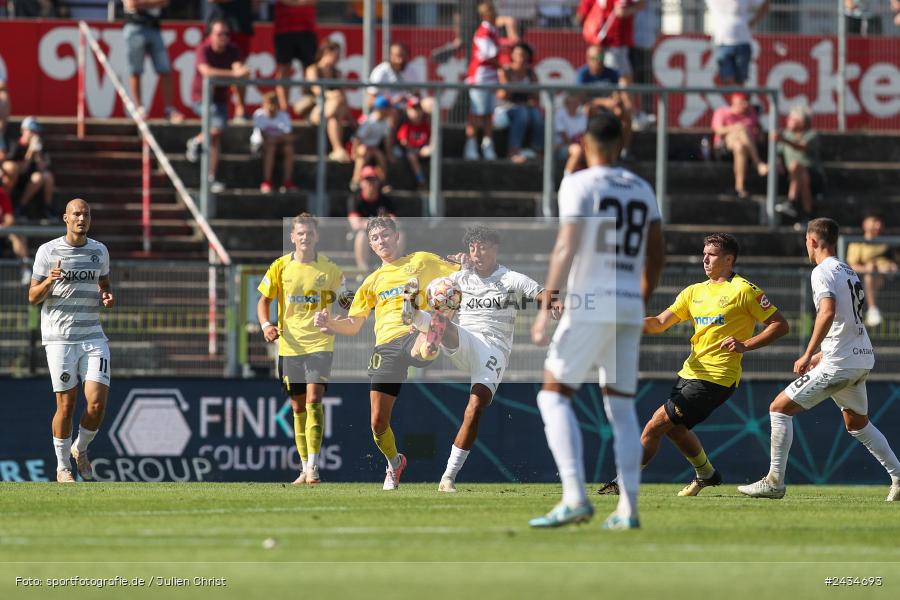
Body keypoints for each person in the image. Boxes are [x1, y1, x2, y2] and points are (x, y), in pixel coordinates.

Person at [529, 111, 665, 530]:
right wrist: (637, 298)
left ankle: (574, 497)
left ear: (586, 144)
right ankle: (628, 510)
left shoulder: (579, 183)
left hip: (592, 302)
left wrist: (545, 304)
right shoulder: (642, 188)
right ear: (621, 144)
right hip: (627, 304)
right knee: (621, 407)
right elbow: (657, 253)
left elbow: (566, 245)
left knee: (552, 394)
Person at [597, 233, 789, 497]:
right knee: (676, 430)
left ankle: (621, 482)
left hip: (717, 378)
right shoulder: (694, 292)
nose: (705, 259)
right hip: (690, 372)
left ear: (729, 259)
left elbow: (780, 324)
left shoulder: (744, 290)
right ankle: (707, 474)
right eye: (704, 253)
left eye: (711, 254)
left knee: (655, 425)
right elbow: (659, 323)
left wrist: (747, 344)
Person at [739, 218, 900, 502]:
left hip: (840, 362)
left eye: (806, 242)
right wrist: (820, 353)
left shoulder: (821, 271)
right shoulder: (848, 270)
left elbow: (827, 312)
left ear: (813, 241)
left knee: (779, 409)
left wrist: (806, 352)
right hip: (859, 357)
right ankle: (898, 476)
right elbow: (847, 321)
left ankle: (774, 482)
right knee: (857, 424)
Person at [406, 226, 557, 492]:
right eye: (473, 248)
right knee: (444, 313)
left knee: (475, 408)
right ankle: (420, 319)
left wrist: (553, 303)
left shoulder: (510, 279)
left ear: (495, 249)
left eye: (483, 247)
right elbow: (440, 288)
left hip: (494, 350)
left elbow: (541, 292)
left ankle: (448, 477)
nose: (477, 254)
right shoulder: (459, 279)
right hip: (465, 338)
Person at [314, 217, 459, 490]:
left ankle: (431, 327)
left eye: (386, 235)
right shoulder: (371, 281)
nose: (382, 241)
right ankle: (394, 463)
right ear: (370, 244)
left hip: (414, 332)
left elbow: (460, 273)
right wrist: (329, 324)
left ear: (397, 236)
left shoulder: (422, 260)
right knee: (378, 423)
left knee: (425, 347)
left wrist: (463, 260)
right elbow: (354, 324)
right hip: (386, 347)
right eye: (376, 238)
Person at [28, 198, 114, 483]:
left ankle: (81, 449)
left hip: (92, 335)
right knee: (66, 404)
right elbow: (32, 297)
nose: (82, 218)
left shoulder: (99, 251)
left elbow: (104, 284)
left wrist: (106, 296)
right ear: (65, 218)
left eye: (86, 214)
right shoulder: (48, 251)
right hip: (59, 339)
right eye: (76, 214)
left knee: (97, 404)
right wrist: (49, 282)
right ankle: (63, 466)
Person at [257, 213, 343, 485]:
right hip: (289, 346)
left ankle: (315, 468)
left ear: (316, 236)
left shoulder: (329, 269)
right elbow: (263, 301)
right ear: (292, 237)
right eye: (300, 233)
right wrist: (266, 325)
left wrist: (334, 320)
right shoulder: (280, 267)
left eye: (309, 233)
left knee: (314, 401)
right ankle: (305, 468)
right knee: (297, 409)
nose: (305, 237)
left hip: (319, 343)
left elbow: (345, 302)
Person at [185, 19, 249, 194]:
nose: (224, 37)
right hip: (201, 98)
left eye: (227, 34)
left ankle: (199, 146)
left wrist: (240, 71)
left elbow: (240, 69)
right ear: (210, 35)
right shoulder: (203, 48)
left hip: (219, 99)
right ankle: (197, 143)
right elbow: (207, 72)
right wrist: (233, 74)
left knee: (215, 136)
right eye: (220, 34)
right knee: (217, 126)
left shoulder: (233, 50)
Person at [578, 0, 646, 134]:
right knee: (623, 81)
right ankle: (633, 115)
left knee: (618, 82)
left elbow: (581, 15)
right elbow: (622, 10)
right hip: (614, 43)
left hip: (601, 41)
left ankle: (629, 115)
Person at [464, 1, 513, 161]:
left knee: (488, 115)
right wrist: (503, 67)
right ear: (485, 14)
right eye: (492, 11)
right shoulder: (483, 32)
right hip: (480, 78)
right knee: (477, 115)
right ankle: (470, 147)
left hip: (490, 79)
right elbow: (490, 55)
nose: (495, 14)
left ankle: (487, 146)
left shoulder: (493, 31)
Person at [122, 0, 183, 122]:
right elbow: (132, 4)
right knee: (135, 70)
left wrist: (144, 4)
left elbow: (165, 2)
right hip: (134, 26)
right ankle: (139, 109)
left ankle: (169, 109)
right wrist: (154, 3)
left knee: (165, 69)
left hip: (154, 27)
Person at [576, 45, 631, 157]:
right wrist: (603, 102)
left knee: (624, 114)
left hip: (608, 108)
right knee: (588, 111)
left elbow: (617, 94)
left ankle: (622, 150)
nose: (599, 61)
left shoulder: (612, 73)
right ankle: (587, 149)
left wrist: (616, 102)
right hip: (590, 107)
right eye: (595, 58)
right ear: (588, 58)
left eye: (601, 58)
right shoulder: (582, 74)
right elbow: (582, 99)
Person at [302, 39, 352, 163]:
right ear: (326, 52)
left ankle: (337, 149)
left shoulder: (337, 73)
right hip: (314, 110)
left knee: (334, 118)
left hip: (332, 113)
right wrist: (332, 95)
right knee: (337, 100)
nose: (337, 58)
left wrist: (352, 120)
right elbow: (316, 89)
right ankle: (337, 149)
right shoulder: (313, 69)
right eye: (335, 55)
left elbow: (344, 98)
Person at [204, 0, 255, 122]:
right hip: (217, 20)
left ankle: (240, 110)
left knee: (241, 67)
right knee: (212, 65)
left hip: (241, 20)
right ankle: (210, 107)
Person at [711, 92, 768, 200]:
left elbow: (758, 127)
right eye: (742, 102)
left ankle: (740, 187)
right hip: (725, 147)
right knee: (741, 130)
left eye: (747, 102)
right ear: (734, 102)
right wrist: (735, 127)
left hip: (744, 148)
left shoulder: (750, 112)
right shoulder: (722, 112)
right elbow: (718, 130)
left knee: (739, 146)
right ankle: (758, 163)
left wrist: (759, 133)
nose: (745, 105)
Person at [846, 213, 898, 328]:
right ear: (865, 224)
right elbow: (851, 265)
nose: (878, 224)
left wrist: (893, 266)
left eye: (880, 222)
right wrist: (867, 268)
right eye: (875, 221)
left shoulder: (887, 242)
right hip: (867, 278)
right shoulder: (857, 243)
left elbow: (895, 261)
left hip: (889, 277)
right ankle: (873, 309)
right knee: (871, 275)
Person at [497, 42, 543, 163]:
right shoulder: (505, 72)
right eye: (518, 55)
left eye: (523, 55)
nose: (521, 58)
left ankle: (537, 150)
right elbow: (503, 95)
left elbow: (536, 97)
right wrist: (515, 84)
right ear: (512, 55)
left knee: (537, 115)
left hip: (524, 109)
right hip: (502, 111)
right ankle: (513, 151)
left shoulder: (531, 74)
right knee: (521, 113)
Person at [705, 0, 770, 86]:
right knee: (727, 79)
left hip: (742, 42)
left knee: (740, 81)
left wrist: (754, 21)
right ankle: (740, 98)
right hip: (723, 43)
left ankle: (740, 98)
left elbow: (765, 4)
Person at [773, 106, 820, 221]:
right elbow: (778, 153)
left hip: (814, 175)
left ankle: (792, 201)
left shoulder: (811, 134)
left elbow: (802, 147)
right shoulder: (787, 135)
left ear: (802, 122)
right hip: (795, 176)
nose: (788, 121)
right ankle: (807, 215)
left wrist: (784, 140)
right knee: (801, 175)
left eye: (792, 119)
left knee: (799, 169)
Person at [272, 0, 318, 114]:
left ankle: (309, 108)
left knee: (310, 70)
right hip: (284, 29)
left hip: (307, 28)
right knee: (284, 69)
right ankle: (284, 111)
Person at [347, 166, 396, 270]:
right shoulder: (355, 199)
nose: (371, 184)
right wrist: (379, 223)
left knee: (399, 235)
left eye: (373, 180)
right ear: (361, 183)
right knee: (362, 235)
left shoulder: (385, 200)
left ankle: (393, 267)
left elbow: (393, 221)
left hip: (382, 235)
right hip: (359, 237)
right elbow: (355, 224)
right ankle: (362, 270)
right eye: (367, 180)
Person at [8, 116, 55, 220]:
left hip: (34, 181)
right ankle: (20, 208)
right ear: (23, 130)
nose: (34, 134)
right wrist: (30, 152)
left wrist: (37, 153)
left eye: (36, 132)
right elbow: (22, 170)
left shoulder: (40, 146)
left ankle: (47, 208)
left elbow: (43, 168)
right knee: (38, 177)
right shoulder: (15, 145)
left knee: (46, 176)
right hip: (18, 182)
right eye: (31, 131)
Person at [251, 91, 295, 194]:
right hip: (259, 147)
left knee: (289, 149)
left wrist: (274, 139)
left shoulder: (284, 116)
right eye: (269, 103)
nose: (272, 106)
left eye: (274, 103)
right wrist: (278, 138)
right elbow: (264, 136)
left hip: (278, 145)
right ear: (263, 104)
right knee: (270, 147)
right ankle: (267, 181)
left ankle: (287, 182)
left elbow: (289, 137)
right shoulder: (259, 114)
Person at [350, 95, 391, 190]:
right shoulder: (369, 122)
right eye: (386, 108)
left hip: (374, 147)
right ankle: (355, 181)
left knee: (381, 158)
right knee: (363, 156)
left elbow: (386, 139)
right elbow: (357, 138)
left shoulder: (385, 122)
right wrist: (354, 152)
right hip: (362, 146)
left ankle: (383, 182)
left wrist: (389, 154)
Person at [396, 96, 431, 188]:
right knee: (411, 156)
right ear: (407, 111)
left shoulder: (425, 125)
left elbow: (428, 140)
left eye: (418, 109)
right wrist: (416, 151)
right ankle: (421, 180)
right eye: (413, 109)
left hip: (422, 150)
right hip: (411, 151)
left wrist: (426, 148)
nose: (416, 112)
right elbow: (404, 143)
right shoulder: (406, 126)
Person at [0, 185, 30, 284]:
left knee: (18, 235)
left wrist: (3, 226)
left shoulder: (2, 193)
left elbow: (9, 218)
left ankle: (25, 269)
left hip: (2, 231)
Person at [554, 93, 587, 175]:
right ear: (566, 104)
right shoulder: (559, 115)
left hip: (578, 146)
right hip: (561, 148)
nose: (574, 105)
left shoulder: (583, 116)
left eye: (576, 102)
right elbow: (565, 139)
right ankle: (567, 179)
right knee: (577, 151)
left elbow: (583, 135)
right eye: (571, 103)